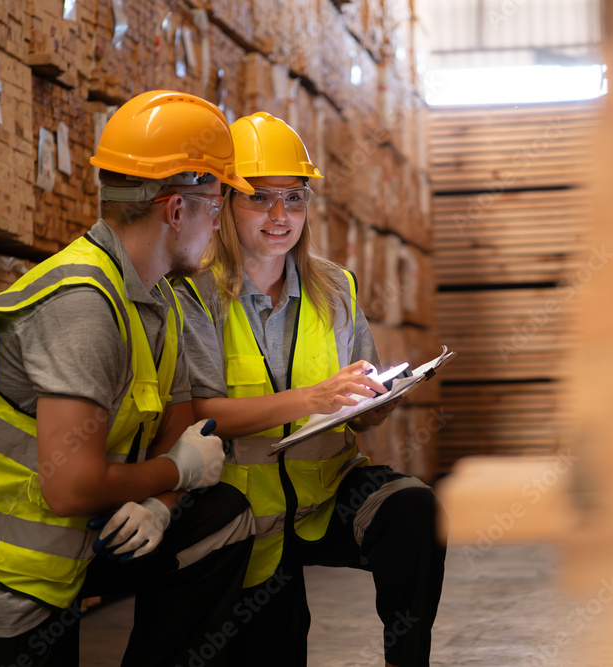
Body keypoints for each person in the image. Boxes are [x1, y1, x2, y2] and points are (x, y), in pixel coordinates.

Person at [0, 90, 257, 667]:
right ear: (175, 210)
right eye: (215, 207)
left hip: (59, 557)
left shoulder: (156, 296)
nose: (219, 227)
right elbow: (71, 486)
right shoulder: (83, 308)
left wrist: (163, 502)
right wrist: (176, 471)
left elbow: (184, 422)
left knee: (220, 517)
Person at [174, 112, 447, 667]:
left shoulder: (336, 288)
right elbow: (200, 414)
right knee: (275, 642)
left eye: (294, 199)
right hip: (243, 512)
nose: (280, 215)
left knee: (413, 511)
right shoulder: (194, 294)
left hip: (325, 495)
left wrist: (372, 405)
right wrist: (313, 399)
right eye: (261, 198)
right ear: (225, 203)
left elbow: (357, 393)